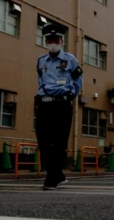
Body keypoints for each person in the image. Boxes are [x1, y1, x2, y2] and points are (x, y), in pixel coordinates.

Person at [35, 24, 83, 190]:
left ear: (62, 40)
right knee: (43, 141)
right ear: (46, 41)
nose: (53, 42)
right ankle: (58, 175)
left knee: (59, 142)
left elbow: (78, 82)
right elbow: (40, 81)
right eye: (49, 39)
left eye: (56, 39)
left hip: (62, 104)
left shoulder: (70, 60)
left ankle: (51, 179)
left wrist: (69, 96)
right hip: (44, 104)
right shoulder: (41, 61)